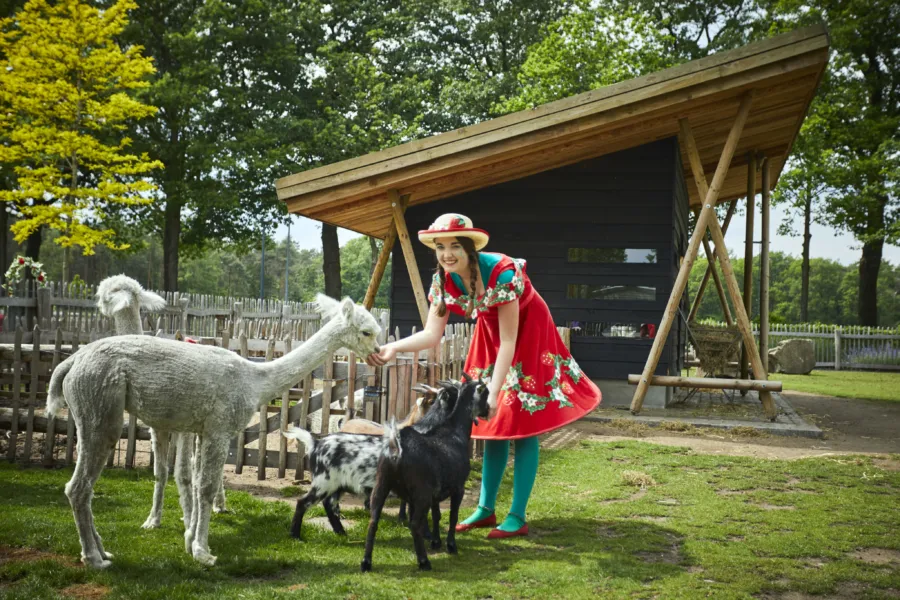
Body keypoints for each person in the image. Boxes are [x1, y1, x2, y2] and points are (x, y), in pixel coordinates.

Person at [366, 213, 601, 539]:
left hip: (527, 331)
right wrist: (394, 348)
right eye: (440, 247)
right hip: (491, 334)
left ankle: (517, 516)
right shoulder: (443, 279)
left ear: (470, 249)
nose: (447, 254)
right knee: (490, 423)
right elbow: (432, 334)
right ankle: (485, 510)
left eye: (454, 246)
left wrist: (494, 391)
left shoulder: (502, 273)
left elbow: (510, 340)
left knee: (518, 420)